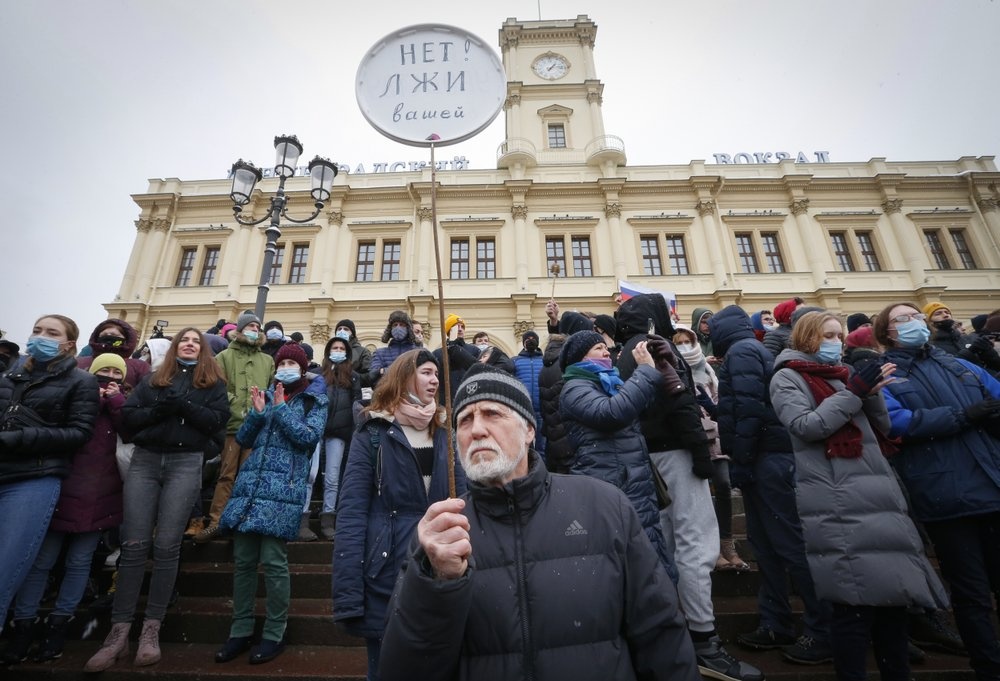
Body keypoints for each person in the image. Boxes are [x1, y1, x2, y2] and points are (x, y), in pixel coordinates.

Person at [378, 366, 702, 681]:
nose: (476, 429)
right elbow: (403, 667)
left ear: (529, 430)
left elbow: (661, 636)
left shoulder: (604, 506)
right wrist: (435, 583)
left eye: (492, 413)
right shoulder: (441, 535)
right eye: (464, 420)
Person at [771, 310, 949, 681]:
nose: (837, 342)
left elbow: (881, 429)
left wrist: (869, 394)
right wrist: (854, 392)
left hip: (876, 494)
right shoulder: (787, 377)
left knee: (892, 609)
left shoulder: (843, 376)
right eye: (829, 336)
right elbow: (808, 426)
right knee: (853, 609)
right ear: (807, 339)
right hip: (836, 498)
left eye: (839, 335)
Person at [616, 296, 761, 681]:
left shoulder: (624, 351)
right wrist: (701, 454)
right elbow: (680, 404)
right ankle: (704, 642)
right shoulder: (656, 347)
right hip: (677, 454)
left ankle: (677, 634)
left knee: (666, 544)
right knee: (696, 544)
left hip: (650, 458)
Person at [85, 327, 229, 671]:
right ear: (176, 346)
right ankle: (118, 633)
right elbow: (130, 418)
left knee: (167, 546)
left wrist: (185, 413)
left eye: (197, 341)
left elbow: (216, 427)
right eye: (185, 340)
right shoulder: (152, 380)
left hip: (184, 462)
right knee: (133, 544)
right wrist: (162, 412)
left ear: (204, 350)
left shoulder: (214, 385)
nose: (191, 344)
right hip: (146, 461)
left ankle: (151, 629)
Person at [873, 301, 1000, 680]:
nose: (913, 322)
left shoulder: (958, 363)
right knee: (972, 594)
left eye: (915, 316)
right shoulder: (887, 374)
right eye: (902, 319)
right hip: (945, 495)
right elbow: (896, 423)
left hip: (991, 483)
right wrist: (964, 416)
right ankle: (989, 667)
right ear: (887, 333)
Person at [708, 305, 833, 664]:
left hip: (768, 460)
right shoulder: (747, 349)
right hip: (763, 457)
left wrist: (742, 460)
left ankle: (821, 630)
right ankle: (776, 621)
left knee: (789, 544)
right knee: (766, 545)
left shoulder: (743, 351)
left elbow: (750, 410)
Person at [333, 349, 466, 681]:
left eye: (437, 373)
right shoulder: (373, 432)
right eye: (425, 372)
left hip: (438, 571)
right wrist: (349, 594)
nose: (434, 379)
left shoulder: (445, 433)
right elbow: (351, 511)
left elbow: (465, 502)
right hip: (385, 576)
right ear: (403, 376)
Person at [4, 354, 129, 664]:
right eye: (104, 371)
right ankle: (24, 623)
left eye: (116, 372)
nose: (109, 376)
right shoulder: (72, 397)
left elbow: (132, 430)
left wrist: (114, 402)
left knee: (79, 562)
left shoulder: (120, 404)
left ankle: (60, 622)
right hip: (59, 489)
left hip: (99, 496)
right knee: (40, 561)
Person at [214, 343, 328, 665]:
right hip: (250, 487)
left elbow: (308, 438)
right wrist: (259, 413)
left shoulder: (314, 400)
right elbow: (245, 439)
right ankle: (240, 629)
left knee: (275, 562)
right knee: (244, 561)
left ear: (303, 369)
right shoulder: (265, 394)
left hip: (283, 488)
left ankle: (275, 632)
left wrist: (280, 410)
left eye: (293, 362)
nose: (286, 366)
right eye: (283, 362)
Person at [0, 315, 99, 637]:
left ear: (69, 344)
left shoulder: (81, 381)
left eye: (51, 333)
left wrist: (21, 438)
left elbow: (79, 432)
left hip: (34, 475)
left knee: (5, 571)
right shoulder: (8, 376)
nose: (40, 337)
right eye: (38, 330)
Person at [559, 330, 682, 581]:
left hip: (632, 479)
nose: (607, 352)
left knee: (650, 552)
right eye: (598, 349)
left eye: (606, 348)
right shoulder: (574, 387)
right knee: (628, 559)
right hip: (611, 481)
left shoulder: (609, 381)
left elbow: (642, 407)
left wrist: (661, 368)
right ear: (579, 358)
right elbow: (612, 414)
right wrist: (645, 373)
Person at [196, 312, 274, 542]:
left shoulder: (267, 361)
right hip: (231, 426)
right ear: (239, 329)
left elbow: (270, 390)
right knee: (226, 475)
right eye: (249, 326)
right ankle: (217, 520)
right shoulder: (223, 357)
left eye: (256, 327)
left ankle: (244, 520)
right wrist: (235, 403)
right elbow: (217, 388)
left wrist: (261, 408)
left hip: (256, 427)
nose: (254, 330)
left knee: (251, 476)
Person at [316, 335, 362, 539]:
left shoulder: (352, 377)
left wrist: (352, 431)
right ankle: (302, 518)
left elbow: (356, 404)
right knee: (309, 475)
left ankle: (328, 518)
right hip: (315, 429)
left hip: (339, 432)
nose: (337, 351)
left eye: (341, 348)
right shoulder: (318, 374)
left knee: (333, 478)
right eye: (334, 347)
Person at [77, 318, 151, 391]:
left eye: (114, 335)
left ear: (126, 340)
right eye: (104, 334)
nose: (108, 337)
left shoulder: (140, 367)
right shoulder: (80, 363)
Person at [432, 314, 480, 403]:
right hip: (445, 401)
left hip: (470, 398)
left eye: (462, 326)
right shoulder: (437, 353)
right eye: (457, 326)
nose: (460, 329)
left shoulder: (474, 350)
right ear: (449, 330)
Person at [512, 330, 545, 455]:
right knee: (524, 445)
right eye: (528, 339)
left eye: (533, 338)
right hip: (523, 409)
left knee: (543, 447)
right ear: (523, 343)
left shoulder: (545, 360)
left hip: (542, 409)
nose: (530, 340)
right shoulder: (515, 361)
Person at [367, 310, 419, 387]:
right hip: (389, 393)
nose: (398, 327)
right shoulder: (380, 353)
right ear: (390, 329)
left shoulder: (418, 352)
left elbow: (420, 374)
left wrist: (384, 371)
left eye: (402, 325)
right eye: (395, 325)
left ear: (408, 328)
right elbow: (373, 376)